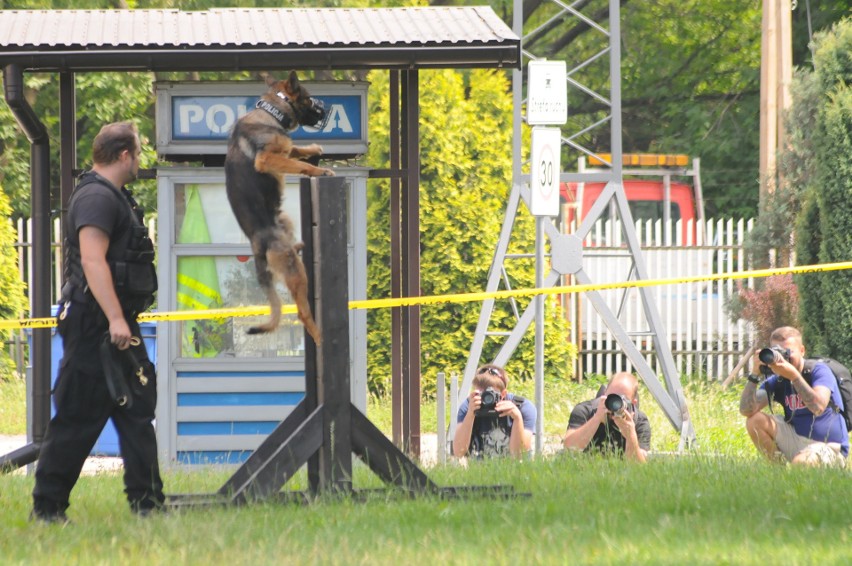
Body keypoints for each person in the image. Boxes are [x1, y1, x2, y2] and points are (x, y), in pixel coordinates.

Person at [31, 122, 164, 523]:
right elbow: (92, 261)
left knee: (137, 411)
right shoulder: (95, 197)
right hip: (96, 321)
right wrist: (116, 319)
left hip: (114, 319)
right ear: (124, 155)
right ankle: (48, 508)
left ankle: (148, 506)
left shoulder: (115, 197)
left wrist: (121, 319)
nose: (140, 160)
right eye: (138, 153)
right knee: (77, 415)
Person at [739, 326, 848, 467]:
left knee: (801, 463)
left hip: (829, 447)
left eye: (788, 352)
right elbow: (746, 411)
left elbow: (818, 407)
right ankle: (780, 471)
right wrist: (754, 375)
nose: (784, 358)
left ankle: (799, 467)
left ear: (802, 351)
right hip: (796, 439)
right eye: (778, 352)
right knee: (754, 421)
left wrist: (794, 376)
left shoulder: (818, 371)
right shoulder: (778, 380)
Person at [453, 364, 536, 459]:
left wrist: (517, 418)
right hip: (479, 472)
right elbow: (458, 452)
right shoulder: (468, 406)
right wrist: (470, 414)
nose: (486, 398)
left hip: (514, 471)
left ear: (503, 394)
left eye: (491, 394)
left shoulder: (523, 407)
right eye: (482, 394)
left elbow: (519, 456)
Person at [563, 372, 650, 462]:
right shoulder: (585, 410)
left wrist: (630, 435)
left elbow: (639, 468)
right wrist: (596, 418)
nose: (616, 403)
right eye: (611, 396)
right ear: (604, 393)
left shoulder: (640, 421)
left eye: (623, 399)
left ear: (633, 402)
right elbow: (569, 447)